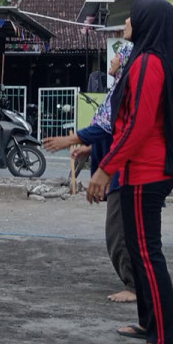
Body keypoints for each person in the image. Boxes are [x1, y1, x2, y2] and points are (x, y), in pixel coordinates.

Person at [88, 0, 173, 344]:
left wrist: (105, 167)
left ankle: (165, 341)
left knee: (147, 253)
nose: (127, 20)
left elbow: (139, 126)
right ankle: (149, 323)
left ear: (147, 22)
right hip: (136, 170)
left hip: (146, 171)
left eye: (134, 15)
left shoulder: (147, 64)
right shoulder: (145, 61)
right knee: (138, 249)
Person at [44, 43, 136, 303]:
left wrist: (70, 139)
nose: (112, 61)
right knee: (120, 230)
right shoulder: (116, 89)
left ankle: (134, 286)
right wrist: (88, 149)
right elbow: (106, 131)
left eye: (117, 56)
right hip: (113, 167)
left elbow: (107, 128)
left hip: (121, 170)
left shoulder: (124, 90)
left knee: (118, 232)